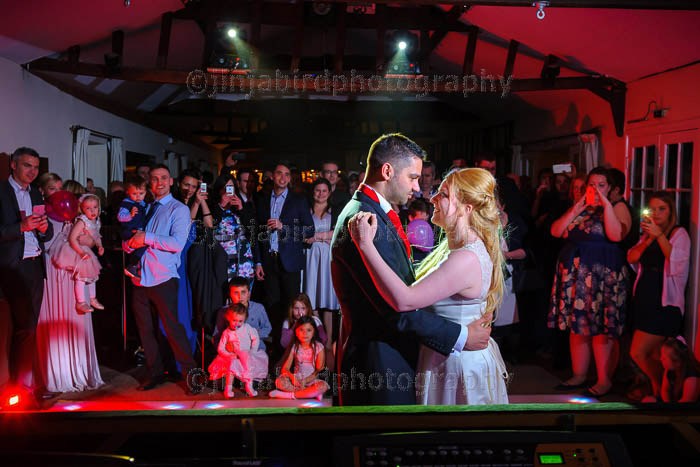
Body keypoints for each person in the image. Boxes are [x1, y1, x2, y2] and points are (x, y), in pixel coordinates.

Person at [331, 133, 492, 406]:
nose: (418, 189)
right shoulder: (365, 220)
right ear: (387, 171)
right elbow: (395, 307)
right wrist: (461, 335)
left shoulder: (371, 214)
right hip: (379, 361)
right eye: (413, 177)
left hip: (388, 355)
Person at [549, 167, 630, 398]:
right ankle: (579, 374)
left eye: (600, 185)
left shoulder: (616, 208)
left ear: (610, 188)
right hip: (577, 276)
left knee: (600, 329)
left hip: (602, 277)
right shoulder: (582, 209)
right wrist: (578, 207)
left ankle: (604, 380)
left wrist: (604, 204)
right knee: (578, 327)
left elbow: (616, 235)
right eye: (591, 184)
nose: (594, 189)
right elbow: (556, 231)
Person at [124, 164, 197, 393]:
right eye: (155, 179)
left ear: (171, 181)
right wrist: (129, 244)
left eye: (164, 178)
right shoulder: (146, 207)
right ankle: (155, 373)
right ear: (150, 183)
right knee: (145, 331)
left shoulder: (179, 209)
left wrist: (147, 237)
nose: (159, 183)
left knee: (173, 329)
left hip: (163, 277)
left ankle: (191, 377)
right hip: (140, 279)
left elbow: (177, 244)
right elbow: (133, 236)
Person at [36, 174, 103, 393]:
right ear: (44, 191)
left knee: (76, 318)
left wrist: (91, 242)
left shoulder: (78, 217)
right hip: (52, 271)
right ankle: (58, 372)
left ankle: (79, 369)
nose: (59, 193)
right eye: (52, 188)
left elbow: (90, 240)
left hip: (74, 273)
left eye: (59, 188)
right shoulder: (42, 212)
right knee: (55, 318)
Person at [0, 147, 53, 406]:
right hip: (11, 267)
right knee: (22, 329)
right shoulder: (1, 192)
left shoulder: (35, 192)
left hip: (34, 266)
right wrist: (20, 227)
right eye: (26, 166)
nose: (32, 171)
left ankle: (24, 388)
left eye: (35, 167)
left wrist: (44, 228)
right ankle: (18, 389)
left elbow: (48, 230)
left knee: (29, 328)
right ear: (13, 165)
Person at [628, 191, 690, 401]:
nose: (656, 213)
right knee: (654, 355)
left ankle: (658, 389)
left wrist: (660, 235)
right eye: (652, 209)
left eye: (661, 209)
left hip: (665, 303)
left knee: (638, 352)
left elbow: (676, 263)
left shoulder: (679, 233)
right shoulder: (647, 233)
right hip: (646, 299)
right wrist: (650, 238)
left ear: (671, 211)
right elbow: (632, 256)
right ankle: (661, 393)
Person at [254, 162, 315, 348]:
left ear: (289, 178)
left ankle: (294, 348)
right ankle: (277, 348)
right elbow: (256, 233)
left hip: (290, 261)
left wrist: (284, 228)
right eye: (279, 173)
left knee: (291, 304)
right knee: (272, 305)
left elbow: (309, 230)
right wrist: (258, 262)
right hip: (269, 260)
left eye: (286, 174)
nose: (282, 177)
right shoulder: (263, 200)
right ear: (273, 176)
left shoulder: (298, 200)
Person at [51, 194, 105, 314]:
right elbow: (72, 238)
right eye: (88, 208)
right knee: (81, 276)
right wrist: (80, 252)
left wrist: (100, 246)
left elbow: (96, 236)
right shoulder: (82, 221)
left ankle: (92, 298)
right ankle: (80, 302)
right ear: (82, 209)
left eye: (95, 207)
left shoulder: (96, 221)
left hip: (86, 249)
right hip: (75, 249)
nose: (92, 211)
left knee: (92, 274)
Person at [208, 304, 268, 398]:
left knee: (248, 368)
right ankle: (228, 389)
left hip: (246, 354)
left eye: (240, 321)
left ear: (244, 319)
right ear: (228, 318)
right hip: (233, 356)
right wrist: (229, 355)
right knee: (231, 369)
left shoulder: (247, 328)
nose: (237, 323)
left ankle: (249, 387)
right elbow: (221, 348)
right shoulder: (226, 333)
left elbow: (255, 338)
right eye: (234, 320)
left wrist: (252, 350)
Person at [269, 316, 329, 401]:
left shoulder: (319, 347)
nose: (305, 333)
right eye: (301, 330)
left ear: (314, 332)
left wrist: (306, 380)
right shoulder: (295, 347)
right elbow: (285, 369)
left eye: (309, 330)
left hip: (312, 380)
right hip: (297, 380)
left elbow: (318, 370)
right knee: (280, 381)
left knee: (322, 386)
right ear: (296, 332)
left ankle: (289, 395)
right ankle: (309, 394)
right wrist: (293, 378)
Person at [303, 178, 339, 318]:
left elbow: (339, 233)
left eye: (324, 191)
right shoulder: (306, 209)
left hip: (327, 257)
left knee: (327, 300)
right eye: (318, 190)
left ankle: (329, 339)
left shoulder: (335, 211)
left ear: (329, 193)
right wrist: (326, 236)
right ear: (313, 192)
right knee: (312, 296)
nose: (321, 193)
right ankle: (317, 334)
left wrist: (316, 236)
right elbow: (302, 234)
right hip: (310, 256)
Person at [215, 276, 272, 351]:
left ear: (249, 293)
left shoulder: (258, 308)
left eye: (243, 292)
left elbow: (267, 328)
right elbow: (216, 336)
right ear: (230, 294)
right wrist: (225, 347)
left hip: (255, 350)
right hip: (233, 352)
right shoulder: (223, 311)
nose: (240, 296)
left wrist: (252, 336)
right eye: (236, 293)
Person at [118, 175, 149, 278]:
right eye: (134, 194)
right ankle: (132, 265)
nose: (138, 196)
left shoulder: (144, 204)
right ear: (128, 192)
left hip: (138, 230)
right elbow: (120, 217)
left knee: (145, 245)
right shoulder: (126, 204)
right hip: (129, 231)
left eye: (141, 193)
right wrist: (129, 215)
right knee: (145, 244)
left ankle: (134, 265)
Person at [656, 337, 700, 403]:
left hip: (687, 410)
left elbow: (686, 403)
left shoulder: (692, 378)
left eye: (664, 358)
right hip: (674, 405)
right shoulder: (670, 369)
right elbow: (665, 390)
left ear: (677, 362)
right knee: (648, 399)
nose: (660, 359)